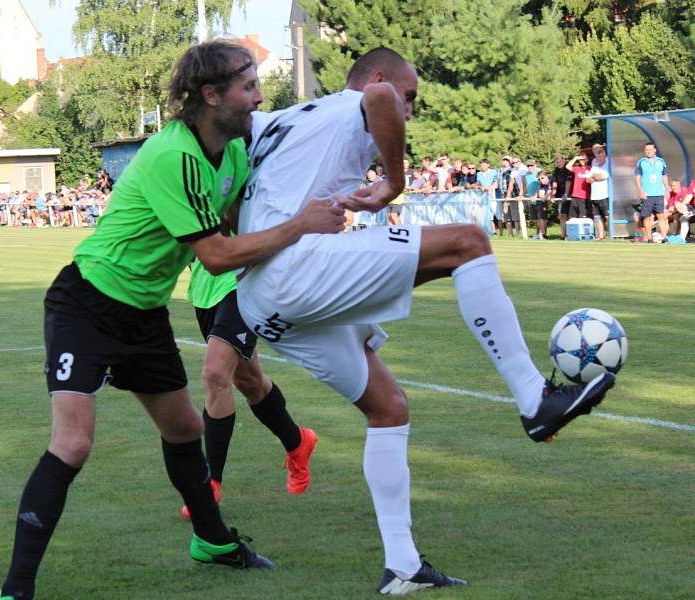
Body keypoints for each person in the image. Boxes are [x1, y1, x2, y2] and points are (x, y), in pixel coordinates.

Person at [236, 46, 615, 595]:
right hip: (295, 269)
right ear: (381, 77)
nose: (407, 109)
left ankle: (403, 566)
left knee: (388, 408)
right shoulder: (362, 99)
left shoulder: (280, 119)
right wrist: (393, 181)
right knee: (468, 241)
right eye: (411, 97)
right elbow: (381, 98)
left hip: (259, 299)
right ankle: (534, 399)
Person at [0, 40, 346, 600]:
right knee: (75, 442)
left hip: (144, 313)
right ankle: (16, 588)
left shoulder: (230, 154)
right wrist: (303, 225)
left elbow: (240, 227)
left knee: (185, 430)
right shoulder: (172, 155)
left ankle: (211, 542)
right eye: (248, 87)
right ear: (211, 94)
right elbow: (215, 255)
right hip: (87, 302)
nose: (258, 98)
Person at [181, 260, 318, 520]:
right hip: (205, 290)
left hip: (244, 285)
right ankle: (297, 441)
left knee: (215, 375)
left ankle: (209, 484)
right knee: (249, 381)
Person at [634, 142, 670, 243]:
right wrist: (641, 191)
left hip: (659, 194)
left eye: (650, 149)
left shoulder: (661, 161)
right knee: (647, 216)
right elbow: (637, 178)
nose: (648, 151)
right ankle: (649, 238)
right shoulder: (641, 162)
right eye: (646, 150)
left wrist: (667, 189)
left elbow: (664, 176)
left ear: (655, 150)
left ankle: (664, 237)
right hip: (647, 194)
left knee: (661, 215)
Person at [588, 144, 609, 240]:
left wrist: (594, 177)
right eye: (598, 156)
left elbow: (602, 176)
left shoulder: (608, 163)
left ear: (605, 155)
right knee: (597, 216)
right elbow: (588, 179)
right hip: (595, 195)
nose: (599, 158)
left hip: (605, 194)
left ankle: (610, 233)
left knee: (607, 216)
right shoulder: (594, 165)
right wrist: (594, 177)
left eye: (601, 156)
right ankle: (601, 235)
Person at [551, 155, 571, 240]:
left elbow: (568, 182)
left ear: (564, 160)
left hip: (570, 195)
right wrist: (552, 194)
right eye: (557, 162)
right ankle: (563, 235)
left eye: (559, 162)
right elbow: (554, 183)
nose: (558, 164)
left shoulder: (568, 169)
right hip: (560, 196)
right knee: (562, 215)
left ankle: (571, 234)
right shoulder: (556, 171)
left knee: (570, 216)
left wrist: (566, 194)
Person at [565, 153, 591, 221]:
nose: (582, 161)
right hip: (575, 196)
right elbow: (567, 166)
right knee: (572, 217)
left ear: (587, 160)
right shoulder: (577, 168)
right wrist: (576, 158)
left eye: (584, 159)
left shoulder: (590, 168)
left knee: (583, 218)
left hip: (585, 197)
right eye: (581, 160)